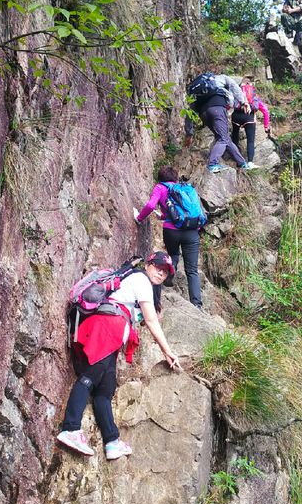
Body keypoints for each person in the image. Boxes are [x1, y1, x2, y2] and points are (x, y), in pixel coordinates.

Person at [57, 252, 182, 460]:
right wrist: (168, 352)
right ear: (148, 264)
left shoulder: (137, 283)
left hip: (113, 330)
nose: (161, 273)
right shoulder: (141, 279)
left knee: (105, 390)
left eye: (165, 272)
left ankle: (112, 442)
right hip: (107, 326)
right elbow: (151, 321)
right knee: (90, 377)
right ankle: (70, 428)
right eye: (158, 267)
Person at [135, 166, 203, 309]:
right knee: (192, 270)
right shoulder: (183, 188)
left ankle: (167, 279)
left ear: (160, 177)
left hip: (172, 230)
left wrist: (140, 218)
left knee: (173, 254)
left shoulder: (160, 188)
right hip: (191, 231)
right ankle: (197, 304)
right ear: (175, 178)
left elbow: (150, 205)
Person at [184, 71, 255, 172]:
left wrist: (189, 132)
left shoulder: (198, 91)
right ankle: (212, 164)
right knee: (222, 138)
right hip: (217, 108)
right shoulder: (221, 78)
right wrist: (244, 102)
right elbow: (235, 87)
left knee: (224, 137)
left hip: (203, 114)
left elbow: (189, 111)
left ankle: (242, 163)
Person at [231, 76, 272, 168]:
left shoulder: (236, 95)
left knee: (235, 137)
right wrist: (266, 126)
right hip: (248, 117)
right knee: (250, 141)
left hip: (236, 116)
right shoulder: (254, 98)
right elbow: (265, 111)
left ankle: (236, 160)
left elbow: (229, 104)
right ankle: (250, 163)